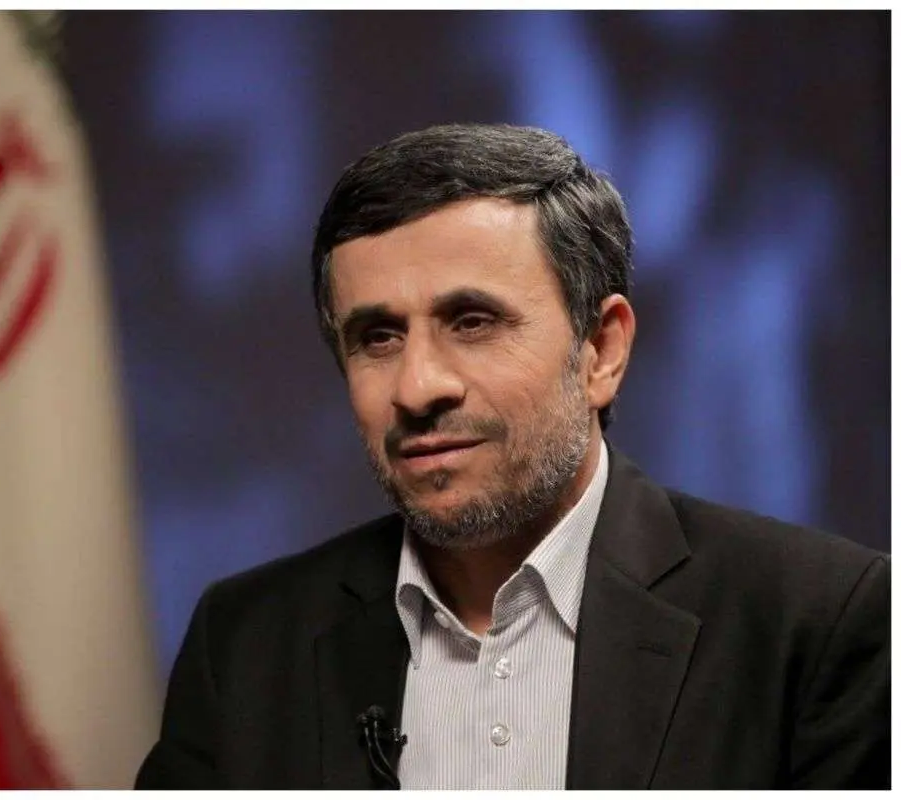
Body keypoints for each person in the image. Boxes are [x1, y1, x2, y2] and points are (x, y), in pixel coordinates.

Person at [134, 123, 889, 789]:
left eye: (472, 322)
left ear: (601, 351)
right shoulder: (245, 645)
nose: (418, 387)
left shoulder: (815, 623)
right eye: (377, 337)